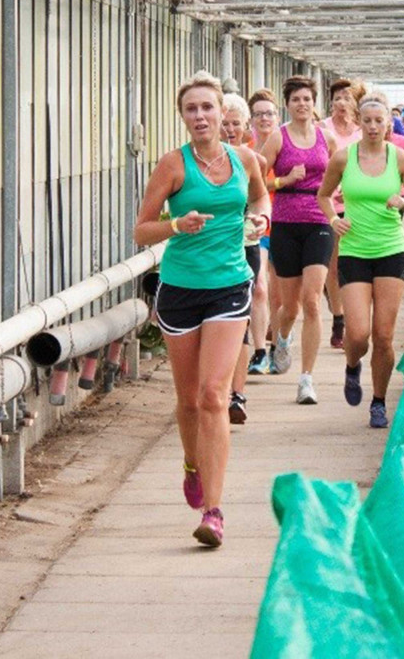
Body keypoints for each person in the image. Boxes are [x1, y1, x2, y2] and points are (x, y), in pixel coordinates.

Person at [134, 72, 269, 548]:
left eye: (207, 108)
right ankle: (192, 462)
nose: (200, 117)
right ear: (183, 117)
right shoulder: (173, 166)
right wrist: (177, 225)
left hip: (230, 285)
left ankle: (214, 511)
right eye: (191, 109)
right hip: (180, 289)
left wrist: (262, 217)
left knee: (215, 396)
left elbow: (258, 193)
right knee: (189, 400)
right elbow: (141, 230)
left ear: (222, 115)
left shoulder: (244, 159)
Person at [317, 92, 404, 428]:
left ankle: (378, 402)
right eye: (367, 121)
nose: (373, 127)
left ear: (388, 124)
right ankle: (353, 366)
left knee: (383, 335)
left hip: (391, 251)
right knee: (358, 335)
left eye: (380, 121)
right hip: (354, 251)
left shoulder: (401, 158)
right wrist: (333, 220)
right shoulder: (342, 158)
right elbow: (323, 196)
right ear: (358, 122)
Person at [260, 76, 339, 404]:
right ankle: (282, 337)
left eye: (307, 99)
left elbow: (340, 173)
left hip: (319, 222)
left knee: (311, 301)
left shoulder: (327, 139)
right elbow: (257, 181)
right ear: (287, 104)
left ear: (314, 102)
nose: (302, 104)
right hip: (285, 224)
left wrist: (341, 194)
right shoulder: (278, 139)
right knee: (289, 307)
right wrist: (283, 179)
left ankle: (306, 379)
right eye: (296, 100)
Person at [220, 93, 271, 424]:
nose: (228, 129)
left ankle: (235, 394)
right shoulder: (190, 162)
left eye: (234, 123)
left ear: (245, 127)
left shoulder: (253, 161)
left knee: (238, 321)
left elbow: (261, 198)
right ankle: (218, 390)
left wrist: (258, 218)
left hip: (245, 245)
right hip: (210, 250)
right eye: (223, 123)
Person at [321, 79, 365, 350]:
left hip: (359, 206)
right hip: (331, 205)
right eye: (337, 97)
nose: (341, 103)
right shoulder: (322, 129)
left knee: (357, 265)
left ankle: (355, 316)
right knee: (334, 266)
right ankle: (339, 318)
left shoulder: (363, 131)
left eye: (347, 98)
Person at [248, 89, 282, 376]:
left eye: (269, 113)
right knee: (259, 286)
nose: (264, 118)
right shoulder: (245, 151)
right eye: (258, 114)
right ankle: (259, 352)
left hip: (285, 222)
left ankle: (279, 339)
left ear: (277, 116)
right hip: (257, 224)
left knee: (280, 292)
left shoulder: (289, 147)